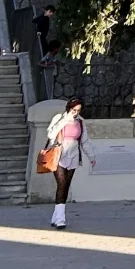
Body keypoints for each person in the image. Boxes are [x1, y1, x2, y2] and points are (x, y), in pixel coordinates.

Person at [43, 97, 91, 229]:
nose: (75, 112)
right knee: (62, 184)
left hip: (73, 156)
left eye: (78, 110)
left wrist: (91, 156)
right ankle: (60, 218)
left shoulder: (80, 122)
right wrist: (65, 120)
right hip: (59, 155)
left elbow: (84, 141)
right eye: (74, 110)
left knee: (65, 186)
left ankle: (56, 216)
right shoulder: (59, 118)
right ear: (68, 108)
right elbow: (51, 134)